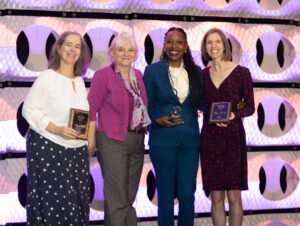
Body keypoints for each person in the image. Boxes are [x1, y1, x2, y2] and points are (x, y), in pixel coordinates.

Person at [22, 31, 91, 226]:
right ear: (59, 48)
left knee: (77, 203)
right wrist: (57, 129)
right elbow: (29, 110)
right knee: (55, 203)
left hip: (76, 151)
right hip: (49, 147)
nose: (73, 50)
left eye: (77, 46)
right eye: (68, 45)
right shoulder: (47, 77)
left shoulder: (79, 81)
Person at [87, 32, 151, 226]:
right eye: (120, 49)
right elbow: (90, 110)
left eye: (130, 50)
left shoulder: (138, 75)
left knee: (129, 196)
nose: (125, 53)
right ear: (112, 53)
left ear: (136, 54)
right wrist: (91, 141)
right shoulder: (103, 75)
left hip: (137, 139)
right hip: (112, 140)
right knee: (116, 197)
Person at [143, 27, 204, 226]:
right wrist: (156, 119)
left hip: (190, 141)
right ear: (164, 45)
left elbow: (204, 103)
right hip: (162, 140)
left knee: (187, 194)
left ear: (186, 46)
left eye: (179, 42)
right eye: (170, 42)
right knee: (166, 195)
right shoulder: (152, 71)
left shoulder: (197, 73)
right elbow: (146, 104)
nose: (174, 46)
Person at [200, 28, 255, 226]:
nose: (213, 46)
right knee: (215, 197)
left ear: (224, 46)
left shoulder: (242, 73)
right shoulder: (202, 75)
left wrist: (234, 114)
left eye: (217, 42)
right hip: (210, 138)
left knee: (234, 196)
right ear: (205, 47)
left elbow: (249, 106)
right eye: (209, 42)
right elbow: (199, 104)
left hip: (233, 138)